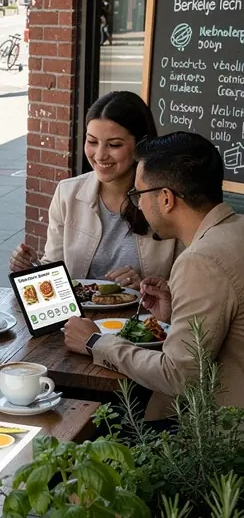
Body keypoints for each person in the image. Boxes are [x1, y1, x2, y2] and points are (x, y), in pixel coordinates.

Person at [65, 132, 244, 417]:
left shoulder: (201, 259)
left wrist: (96, 342)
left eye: (137, 194)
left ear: (165, 198)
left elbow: (180, 376)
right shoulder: (236, 229)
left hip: (220, 438)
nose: (137, 205)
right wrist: (175, 313)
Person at [10, 91, 178, 289]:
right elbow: (54, 269)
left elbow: (187, 283)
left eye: (114, 145)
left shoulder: (166, 200)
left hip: (142, 318)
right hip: (76, 318)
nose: (99, 155)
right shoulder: (68, 193)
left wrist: (145, 287)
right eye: (92, 142)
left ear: (141, 144)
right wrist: (30, 269)